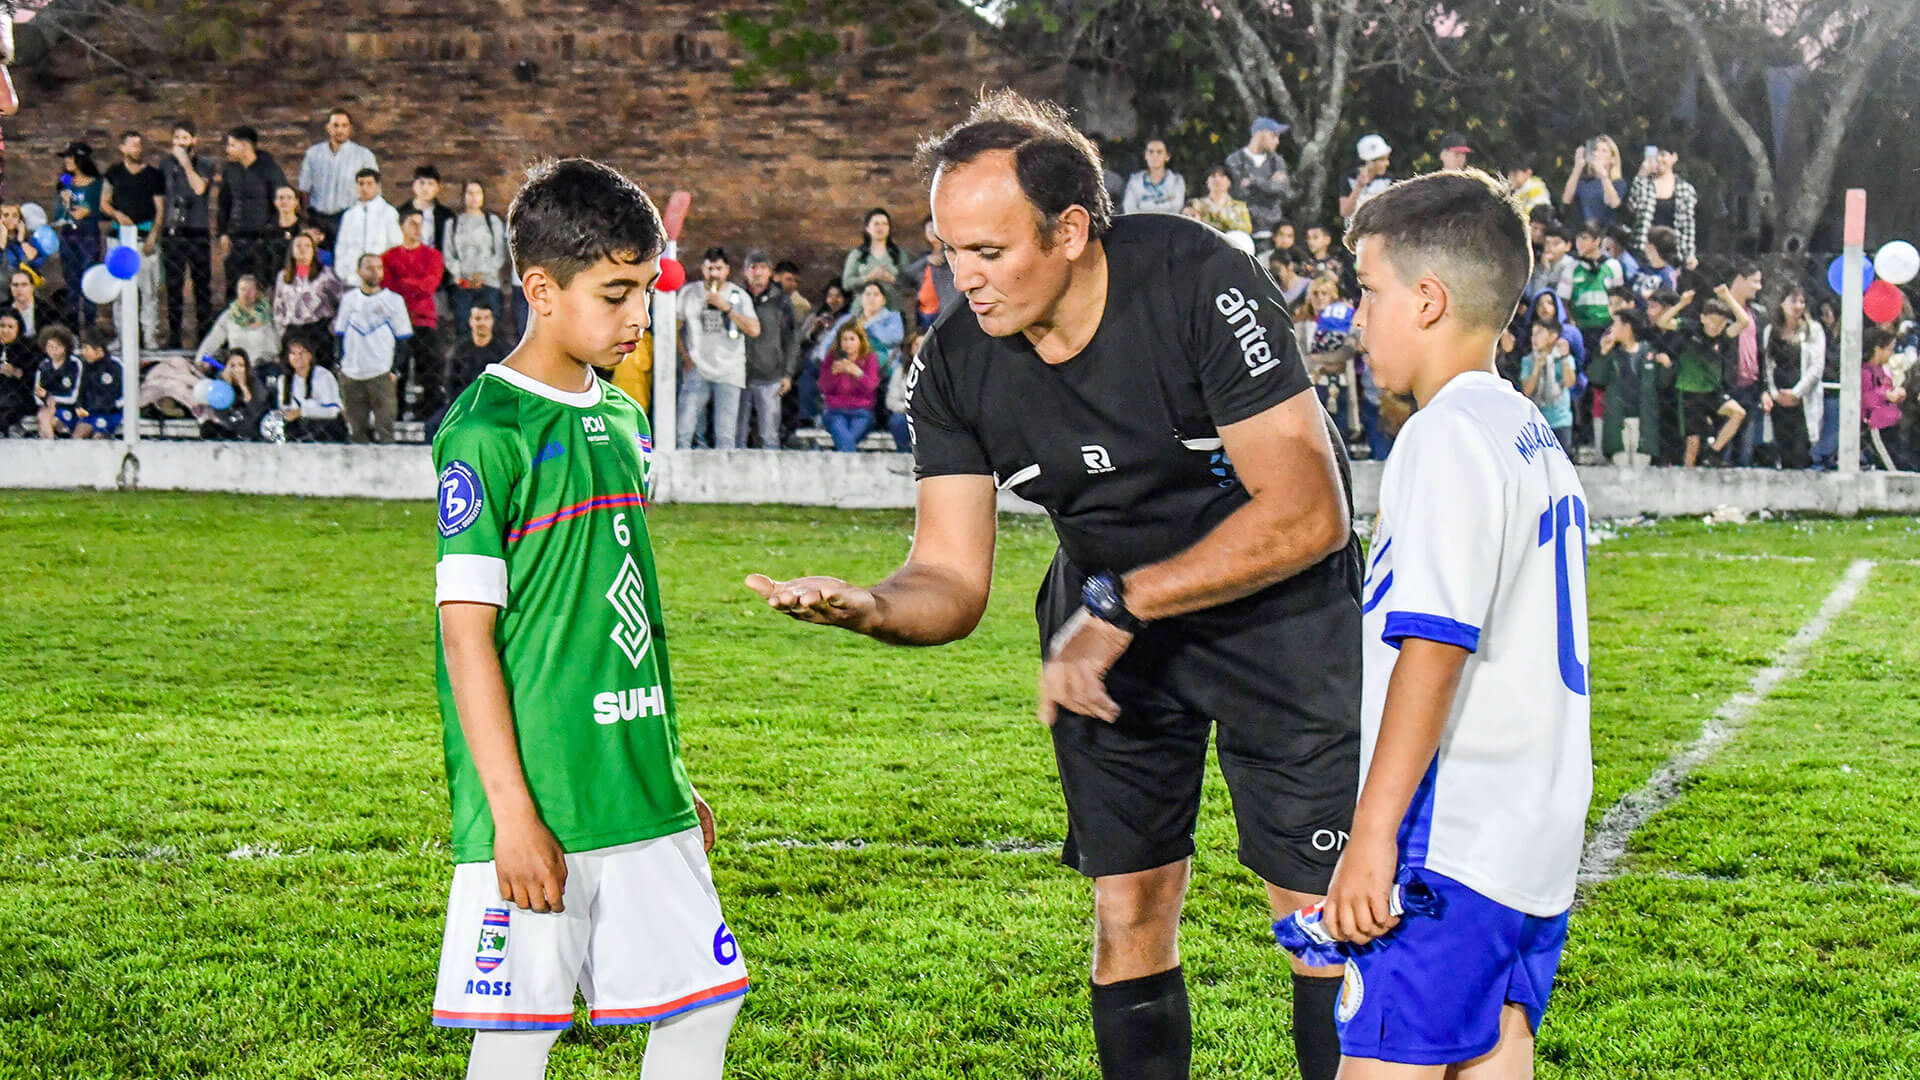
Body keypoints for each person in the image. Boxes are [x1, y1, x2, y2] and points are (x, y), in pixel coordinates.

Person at [746, 90, 1360, 1080]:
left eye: (989, 251)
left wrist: (1120, 606)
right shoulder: (951, 363)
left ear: (1071, 230)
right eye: (949, 252)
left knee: (1318, 917)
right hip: (1107, 633)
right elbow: (947, 573)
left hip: (1276, 613)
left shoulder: (1204, 282)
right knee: (1129, 911)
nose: (964, 280)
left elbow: (1306, 514)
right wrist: (871, 605)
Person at [429, 157, 745, 1079]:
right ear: (542, 289)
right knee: (519, 1038)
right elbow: (466, 636)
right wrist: (511, 817)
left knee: (705, 1006)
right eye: (616, 293)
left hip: (640, 783)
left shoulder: (621, 418)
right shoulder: (487, 432)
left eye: (646, 290)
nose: (639, 316)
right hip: (545, 801)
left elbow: (622, 609)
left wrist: (670, 774)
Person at [1319, 168, 1590, 1078]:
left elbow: (1433, 646)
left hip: (1451, 842)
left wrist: (1371, 837)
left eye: (1368, 291)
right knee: (1495, 1054)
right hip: (1533, 839)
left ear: (1427, 301)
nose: (1357, 318)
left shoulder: (1445, 435)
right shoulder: (1530, 432)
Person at [676, 246, 759, 449]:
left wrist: (727, 307)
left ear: (727, 270)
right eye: (709, 268)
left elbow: (754, 329)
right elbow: (673, 327)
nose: (714, 273)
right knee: (683, 430)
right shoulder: (689, 293)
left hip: (729, 370)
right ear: (703, 269)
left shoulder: (738, 295)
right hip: (698, 368)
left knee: (725, 435)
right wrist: (686, 358)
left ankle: (725, 478)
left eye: (719, 268)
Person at [1659, 291, 1747, 466]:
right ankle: (1688, 474)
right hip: (1689, 393)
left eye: (1721, 323)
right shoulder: (1690, 328)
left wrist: (1727, 297)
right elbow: (1663, 322)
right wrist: (1681, 304)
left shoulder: (1724, 335)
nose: (1716, 327)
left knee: (1738, 413)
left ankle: (1713, 452)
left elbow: (1744, 321)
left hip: (1712, 392)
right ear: (1703, 318)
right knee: (1693, 443)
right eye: (1712, 321)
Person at [331, 252, 412, 443]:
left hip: (381, 373)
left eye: (379, 267)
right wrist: (341, 366)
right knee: (356, 431)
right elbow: (339, 333)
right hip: (352, 374)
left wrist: (395, 370)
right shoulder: (349, 299)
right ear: (359, 271)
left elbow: (404, 339)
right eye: (369, 267)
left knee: (385, 429)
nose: (375, 272)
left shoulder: (394, 301)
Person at [101, 130, 165, 350]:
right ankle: (122, 336)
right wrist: (118, 215)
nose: (137, 150)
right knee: (119, 290)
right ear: (123, 148)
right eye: (133, 145)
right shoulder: (114, 173)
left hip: (143, 236)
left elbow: (160, 209)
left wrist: (153, 236)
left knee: (149, 290)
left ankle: (149, 336)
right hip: (119, 238)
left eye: (140, 145)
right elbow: (104, 202)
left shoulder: (154, 175)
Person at [160, 120, 219, 349]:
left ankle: (203, 335)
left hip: (197, 230)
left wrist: (185, 162)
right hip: (173, 230)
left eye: (184, 138)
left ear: (194, 140)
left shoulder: (204, 164)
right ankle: (174, 336)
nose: (180, 143)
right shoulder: (165, 165)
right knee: (173, 285)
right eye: (176, 139)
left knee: (201, 284)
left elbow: (199, 188)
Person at [384, 206, 448, 418]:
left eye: (421, 223)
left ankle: (428, 414)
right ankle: (397, 412)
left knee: (429, 369)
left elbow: (430, 285)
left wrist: (405, 283)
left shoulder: (433, 255)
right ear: (401, 226)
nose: (418, 228)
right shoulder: (389, 257)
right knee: (397, 368)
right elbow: (389, 288)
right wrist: (415, 285)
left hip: (424, 319)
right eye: (412, 222)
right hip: (397, 321)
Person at [216, 126, 289, 301]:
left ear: (245, 146)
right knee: (234, 288)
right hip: (237, 239)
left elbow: (281, 203)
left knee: (262, 287)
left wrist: (272, 233)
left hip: (263, 240)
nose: (227, 150)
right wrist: (223, 233)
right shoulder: (230, 170)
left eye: (232, 145)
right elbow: (223, 203)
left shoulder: (270, 169)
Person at [1592, 305, 1667, 464]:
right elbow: (1597, 380)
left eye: (1615, 324)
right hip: (1618, 419)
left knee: (1642, 464)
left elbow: (1662, 383)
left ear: (1627, 327)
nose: (1611, 329)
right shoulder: (1612, 354)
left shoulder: (1649, 352)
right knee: (1620, 465)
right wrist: (1603, 354)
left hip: (1643, 420)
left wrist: (1666, 367)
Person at [739, 251, 798, 450]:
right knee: (736, 434)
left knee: (769, 435)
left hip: (770, 375)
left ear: (770, 272)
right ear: (745, 271)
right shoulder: (735, 297)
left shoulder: (781, 301)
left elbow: (792, 340)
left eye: (762, 267)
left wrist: (788, 373)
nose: (757, 272)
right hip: (737, 375)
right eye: (753, 267)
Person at [1764, 286, 1824, 470]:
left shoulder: (1813, 330)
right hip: (1778, 400)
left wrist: (1796, 393)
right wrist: (1775, 394)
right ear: (1782, 303)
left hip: (1802, 399)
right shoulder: (1771, 330)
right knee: (1781, 449)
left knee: (1801, 451)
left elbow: (1816, 367)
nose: (1797, 306)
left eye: (1802, 301)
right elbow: (1766, 365)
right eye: (1793, 300)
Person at [432, 302, 510, 439]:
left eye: (487, 318)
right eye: (478, 318)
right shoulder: (458, 350)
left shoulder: (504, 351)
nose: (482, 323)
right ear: (470, 321)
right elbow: (450, 383)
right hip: (463, 405)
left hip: (495, 407)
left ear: (492, 321)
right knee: (433, 425)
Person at [297, 108, 377, 236]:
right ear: (328, 127)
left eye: (344, 126)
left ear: (350, 128)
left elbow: (373, 191)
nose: (339, 130)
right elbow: (304, 188)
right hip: (318, 218)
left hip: (349, 218)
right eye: (335, 125)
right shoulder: (313, 154)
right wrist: (307, 216)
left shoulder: (363, 156)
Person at [444, 180, 509, 330]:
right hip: (461, 285)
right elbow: (448, 255)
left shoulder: (493, 222)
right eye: (470, 193)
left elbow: (499, 254)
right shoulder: (452, 223)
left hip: (489, 284)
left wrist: (482, 274)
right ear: (463, 196)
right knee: (464, 328)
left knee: (491, 329)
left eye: (478, 193)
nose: (474, 197)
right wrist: (464, 275)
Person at [53, 141, 104, 328]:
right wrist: (64, 203)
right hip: (68, 234)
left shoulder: (96, 184)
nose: (67, 161)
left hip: (87, 235)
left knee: (88, 281)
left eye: (70, 157)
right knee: (71, 283)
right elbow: (58, 213)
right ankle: (73, 328)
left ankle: (90, 326)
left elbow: (98, 208)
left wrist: (85, 210)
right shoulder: (65, 183)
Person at [273, 232, 342, 368]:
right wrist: (283, 330)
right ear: (292, 251)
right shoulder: (283, 277)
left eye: (307, 246)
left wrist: (332, 327)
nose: (302, 249)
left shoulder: (326, 275)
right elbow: (278, 306)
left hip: (318, 331)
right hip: (293, 331)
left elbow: (340, 302)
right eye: (298, 245)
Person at [1722, 263, 1766, 466]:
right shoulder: (1721, 311)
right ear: (1739, 279)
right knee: (1724, 448)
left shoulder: (1757, 313)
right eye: (1754, 281)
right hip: (1726, 387)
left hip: (1751, 388)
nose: (1759, 287)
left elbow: (1762, 352)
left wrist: (1764, 389)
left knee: (1745, 453)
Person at [1627, 145, 1698, 269]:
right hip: (1644, 252)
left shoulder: (1685, 189)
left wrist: (1690, 255)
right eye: (1656, 155)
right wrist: (1641, 174)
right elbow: (1631, 208)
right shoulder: (1643, 184)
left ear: (1674, 157)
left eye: (1663, 155)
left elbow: (1687, 227)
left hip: (1673, 255)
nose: (1659, 159)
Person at [196, 273, 280, 374]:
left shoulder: (268, 316)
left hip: (261, 367)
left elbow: (275, 347)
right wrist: (201, 359)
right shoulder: (229, 316)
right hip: (235, 367)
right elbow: (213, 339)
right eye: (243, 289)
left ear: (257, 292)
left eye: (250, 290)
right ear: (237, 291)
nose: (246, 294)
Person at [1224, 118, 1290, 244]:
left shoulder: (1277, 162)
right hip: (1243, 229)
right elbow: (1239, 193)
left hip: (1271, 229)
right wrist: (1269, 184)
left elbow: (1282, 189)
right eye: (1273, 136)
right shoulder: (1235, 160)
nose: (1277, 141)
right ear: (1260, 134)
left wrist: (1253, 181)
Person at [333, 168, 401, 287]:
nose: (364, 188)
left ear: (377, 186)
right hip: (352, 279)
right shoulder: (349, 215)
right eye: (361, 184)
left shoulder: (388, 212)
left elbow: (395, 246)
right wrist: (344, 274)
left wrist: (385, 274)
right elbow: (341, 248)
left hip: (380, 280)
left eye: (369, 184)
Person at [817, 321, 878, 451]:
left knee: (846, 440)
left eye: (852, 339)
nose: (848, 343)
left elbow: (871, 387)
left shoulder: (870, 359)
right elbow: (823, 387)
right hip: (835, 411)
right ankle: (854, 471)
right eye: (844, 339)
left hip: (861, 412)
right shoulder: (831, 358)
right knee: (844, 437)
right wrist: (833, 374)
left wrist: (858, 373)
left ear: (860, 341)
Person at [1521, 320, 1578, 453]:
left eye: (1539, 333)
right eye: (1532, 334)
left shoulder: (1564, 358)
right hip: (1537, 420)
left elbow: (1570, 382)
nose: (1534, 338)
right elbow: (1527, 391)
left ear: (1552, 337)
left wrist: (1564, 359)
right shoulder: (1528, 360)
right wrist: (1536, 368)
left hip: (1561, 420)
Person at [277, 337, 346, 442]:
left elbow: (333, 411)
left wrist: (302, 412)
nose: (298, 357)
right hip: (299, 433)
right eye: (293, 353)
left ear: (310, 355)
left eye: (302, 353)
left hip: (326, 432)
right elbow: (285, 408)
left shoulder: (323, 376)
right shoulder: (284, 380)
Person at [841, 207, 907, 316]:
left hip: (893, 312)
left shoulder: (898, 254)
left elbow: (909, 284)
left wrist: (891, 279)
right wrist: (868, 277)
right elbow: (846, 284)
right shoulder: (858, 254)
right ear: (867, 228)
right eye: (876, 224)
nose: (880, 227)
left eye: (884, 224)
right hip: (861, 313)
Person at [1559, 135, 1625, 229]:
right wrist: (1578, 167)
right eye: (1596, 150)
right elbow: (1566, 200)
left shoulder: (1617, 183)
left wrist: (1603, 175)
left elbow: (1614, 204)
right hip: (1583, 232)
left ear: (1613, 159)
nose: (1598, 154)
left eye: (1604, 151)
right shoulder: (1584, 182)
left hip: (1606, 233)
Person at [1862, 326, 1905, 471]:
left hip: (1891, 425)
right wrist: (1886, 395)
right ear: (1877, 349)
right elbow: (1867, 398)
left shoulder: (1882, 371)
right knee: (1890, 465)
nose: (1891, 354)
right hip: (1877, 427)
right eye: (1890, 349)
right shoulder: (1866, 372)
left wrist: (1896, 394)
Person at [68, 326, 122, 439]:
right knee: (78, 435)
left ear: (99, 351)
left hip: (111, 413)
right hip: (90, 413)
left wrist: (112, 406)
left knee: (99, 436)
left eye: (87, 349)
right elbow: (79, 390)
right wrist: (79, 406)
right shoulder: (84, 367)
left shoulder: (115, 366)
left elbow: (126, 393)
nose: (84, 352)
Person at [1181, 163, 1251, 243]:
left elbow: (1247, 229)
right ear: (1207, 182)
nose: (1217, 179)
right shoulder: (1196, 204)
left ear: (1229, 182)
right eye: (1213, 176)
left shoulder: (1239, 206)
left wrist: (1224, 216)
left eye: (1222, 176)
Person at [33, 324, 80, 439]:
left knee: (50, 420)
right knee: (44, 415)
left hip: (69, 408)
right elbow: (37, 395)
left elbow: (74, 396)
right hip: (48, 408)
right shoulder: (43, 366)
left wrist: (50, 398)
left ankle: (48, 445)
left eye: (58, 346)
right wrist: (46, 401)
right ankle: (49, 445)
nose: (53, 350)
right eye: (50, 346)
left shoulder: (74, 364)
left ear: (66, 346)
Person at [1122, 139, 1186, 216]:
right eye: (1151, 152)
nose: (1154, 156)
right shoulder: (1135, 181)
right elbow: (1129, 210)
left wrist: (1143, 205)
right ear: (1145, 155)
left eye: (1159, 152)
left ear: (1167, 156)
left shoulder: (1177, 181)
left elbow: (1175, 209)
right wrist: (1165, 202)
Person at [1338, 135, 1392, 219]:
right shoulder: (1349, 178)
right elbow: (1345, 212)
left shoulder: (1388, 180)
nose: (1387, 163)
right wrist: (1359, 187)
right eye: (1382, 160)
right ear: (1369, 162)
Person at [0, 309, 36, 435]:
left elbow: (34, 378)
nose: (5, 330)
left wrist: (16, 372)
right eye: (2, 326)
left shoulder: (28, 349)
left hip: (18, 396)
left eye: (10, 327)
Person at [856, 280, 903, 376]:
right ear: (861, 299)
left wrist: (870, 325)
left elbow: (895, 338)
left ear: (883, 300)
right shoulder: (852, 319)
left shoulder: (893, 317)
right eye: (868, 294)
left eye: (876, 294)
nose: (871, 298)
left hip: (886, 366)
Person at [407, 164, 456, 253]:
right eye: (422, 183)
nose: (425, 188)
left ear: (437, 188)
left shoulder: (446, 215)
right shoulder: (402, 213)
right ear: (414, 186)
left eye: (431, 184)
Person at [3, 266, 52, 338]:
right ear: (10, 287)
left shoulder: (45, 309)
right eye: (15, 285)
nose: (19, 289)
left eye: (24, 285)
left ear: (32, 287)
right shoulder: (2, 309)